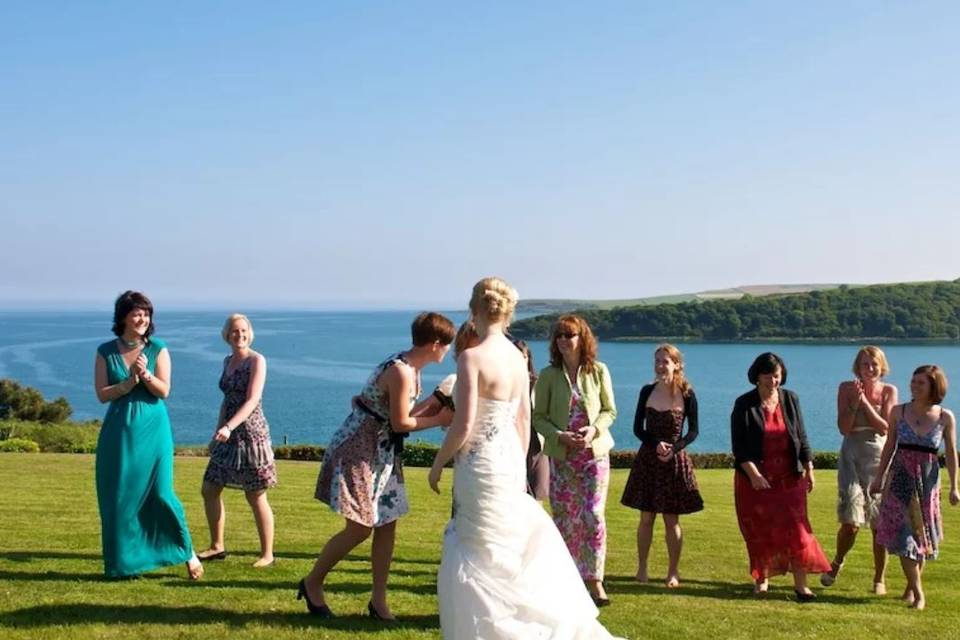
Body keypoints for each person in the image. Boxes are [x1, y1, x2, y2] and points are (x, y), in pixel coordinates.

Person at [431, 277, 622, 639]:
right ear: (507, 313)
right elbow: (523, 420)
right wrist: (519, 467)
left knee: (477, 543)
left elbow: (464, 421)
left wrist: (439, 462)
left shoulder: (472, 357)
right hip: (507, 460)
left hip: (479, 460)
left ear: (474, 311)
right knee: (505, 540)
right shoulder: (518, 358)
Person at [300, 312, 455, 620]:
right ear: (436, 344)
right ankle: (312, 582)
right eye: (447, 344)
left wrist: (437, 399)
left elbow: (398, 413)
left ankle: (378, 602)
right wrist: (439, 419)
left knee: (386, 525)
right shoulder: (401, 372)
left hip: (381, 453)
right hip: (359, 451)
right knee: (360, 527)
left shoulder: (409, 367)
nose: (448, 351)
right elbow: (400, 423)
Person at [93, 290, 202, 580]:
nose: (142, 318)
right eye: (136, 313)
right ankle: (123, 565)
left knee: (162, 492)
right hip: (118, 431)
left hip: (153, 430)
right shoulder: (105, 351)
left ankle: (186, 551)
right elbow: (102, 394)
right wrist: (127, 385)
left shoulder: (158, 348)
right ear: (123, 317)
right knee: (119, 496)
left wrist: (147, 377)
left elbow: (164, 391)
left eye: (146, 313)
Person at [731, 352, 831, 601]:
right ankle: (761, 580)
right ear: (757, 376)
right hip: (756, 480)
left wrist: (809, 467)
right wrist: (753, 475)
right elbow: (739, 447)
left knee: (797, 530)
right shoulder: (744, 404)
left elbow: (802, 436)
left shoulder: (791, 399)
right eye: (767, 376)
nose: (772, 381)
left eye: (776, 376)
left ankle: (801, 585)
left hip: (790, 478)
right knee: (760, 529)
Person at [533, 314, 617, 606]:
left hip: (594, 456)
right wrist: (559, 435)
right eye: (559, 336)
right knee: (566, 520)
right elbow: (538, 417)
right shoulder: (548, 375)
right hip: (562, 458)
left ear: (583, 339)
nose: (563, 341)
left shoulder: (599, 371)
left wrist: (593, 429)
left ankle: (595, 581)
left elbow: (610, 411)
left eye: (569, 335)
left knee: (593, 516)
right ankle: (569, 581)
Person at [871, 365, 959, 610]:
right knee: (903, 536)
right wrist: (879, 477)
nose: (914, 386)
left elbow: (951, 453)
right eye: (913, 381)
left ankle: (910, 588)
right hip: (899, 478)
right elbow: (889, 446)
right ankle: (919, 594)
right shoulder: (898, 412)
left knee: (922, 538)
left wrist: (954, 486)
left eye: (920, 382)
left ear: (934, 386)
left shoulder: (945, 416)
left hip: (928, 481)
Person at [198, 314, 278, 568]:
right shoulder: (227, 361)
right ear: (227, 334)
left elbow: (252, 400)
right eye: (234, 331)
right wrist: (218, 431)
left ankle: (267, 554)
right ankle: (217, 545)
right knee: (209, 488)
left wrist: (230, 427)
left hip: (251, 435)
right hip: (228, 435)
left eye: (243, 330)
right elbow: (227, 399)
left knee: (255, 494)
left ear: (250, 333)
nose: (239, 334)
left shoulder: (257, 361)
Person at [621, 344, 703, 588]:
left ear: (676, 364)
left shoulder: (687, 394)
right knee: (646, 518)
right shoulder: (646, 391)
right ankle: (642, 567)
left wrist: (674, 449)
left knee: (671, 520)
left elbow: (694, 431)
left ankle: (673, 572)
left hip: (674, 462)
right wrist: (656, 444)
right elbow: (638, 428)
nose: (659, 365)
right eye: (657, 361)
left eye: (665, 361)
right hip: (648, 460)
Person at [821, 346, 898, 593]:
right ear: (858, 366)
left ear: (881, 366)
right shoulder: (846, 388)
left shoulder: (889, 391)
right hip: (851, 455)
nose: (870, 369)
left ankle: (879, 579)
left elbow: (885, 427)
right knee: (850, 521)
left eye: (874, 364)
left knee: (878, 522)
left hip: (878, 457)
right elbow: (844, 427)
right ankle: (837, 562)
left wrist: (863, 400)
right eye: (865, 364)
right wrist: (854, 402)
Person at [514, 338, 549, 501]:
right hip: (512, 446)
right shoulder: (504, 385)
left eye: (523, 356)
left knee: (537, 496)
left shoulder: (539, 384)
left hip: (536, 448)